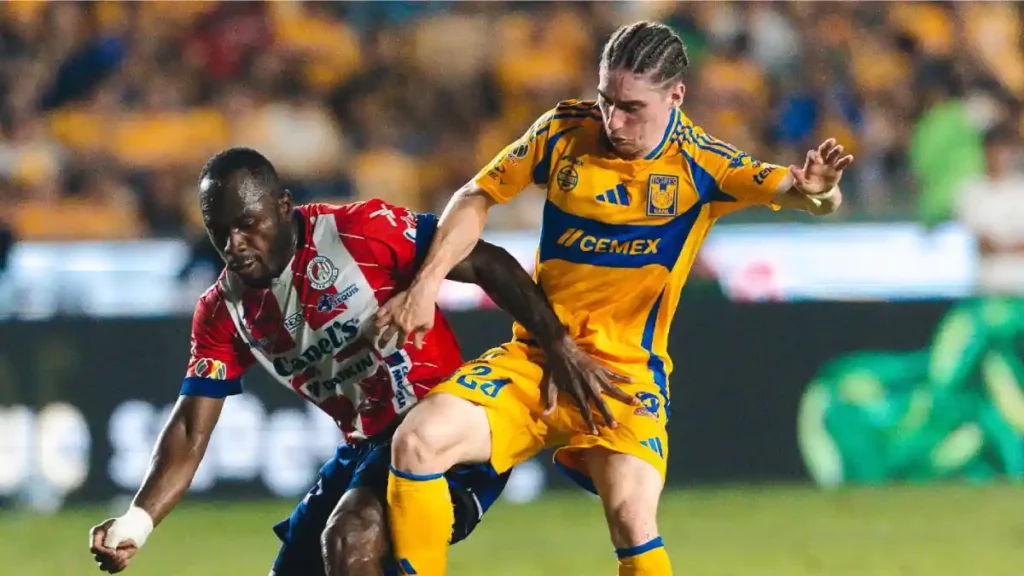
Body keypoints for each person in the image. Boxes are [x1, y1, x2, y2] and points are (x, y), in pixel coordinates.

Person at [376, 21, 854, 575]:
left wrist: (822, 191)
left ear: (676, 97)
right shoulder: (562, 131)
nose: (613, 121)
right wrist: (428, 282)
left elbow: (806, 196)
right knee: (415, 444)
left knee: (631, 517)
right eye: (606, 101)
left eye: (631, 107)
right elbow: (477, 194)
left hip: (624, 379)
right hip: (537, 362)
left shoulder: (704, 165)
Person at [88, 147, 623, 576]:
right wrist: (139, 519)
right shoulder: (222, 312)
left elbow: (485, 261)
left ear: (283, 206)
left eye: (247, 223)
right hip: (366, 447)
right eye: (219, 229)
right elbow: (188, 428)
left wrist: (555, 342)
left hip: (444, 430)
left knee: (351, 536)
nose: (234, 244)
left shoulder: (358, 232)